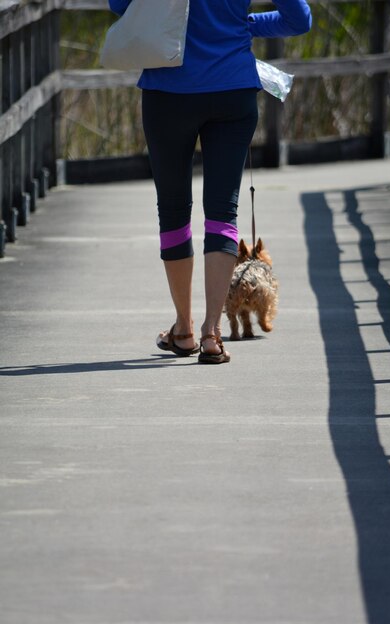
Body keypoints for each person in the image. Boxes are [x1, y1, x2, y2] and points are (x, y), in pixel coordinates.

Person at [109, 0, 312, 364]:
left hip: (168, 88)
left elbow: (120, 4)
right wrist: (239, 24)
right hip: (233, 88)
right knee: (222, 214)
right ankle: (212, 334)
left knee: (173, 213)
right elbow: (299, 19)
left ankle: (183, 330)